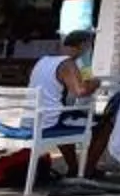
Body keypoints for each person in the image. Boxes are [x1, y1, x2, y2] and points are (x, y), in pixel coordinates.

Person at [26, 27, 100, 182]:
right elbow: (80, 91)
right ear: (83, 45)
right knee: (103, 125)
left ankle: (74, 169)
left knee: (69, 117)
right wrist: (95, 83)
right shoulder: (67, 64)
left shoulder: (44, 60)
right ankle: (87, 170)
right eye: (89, 46)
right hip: (48, 122)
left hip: (32, 118)